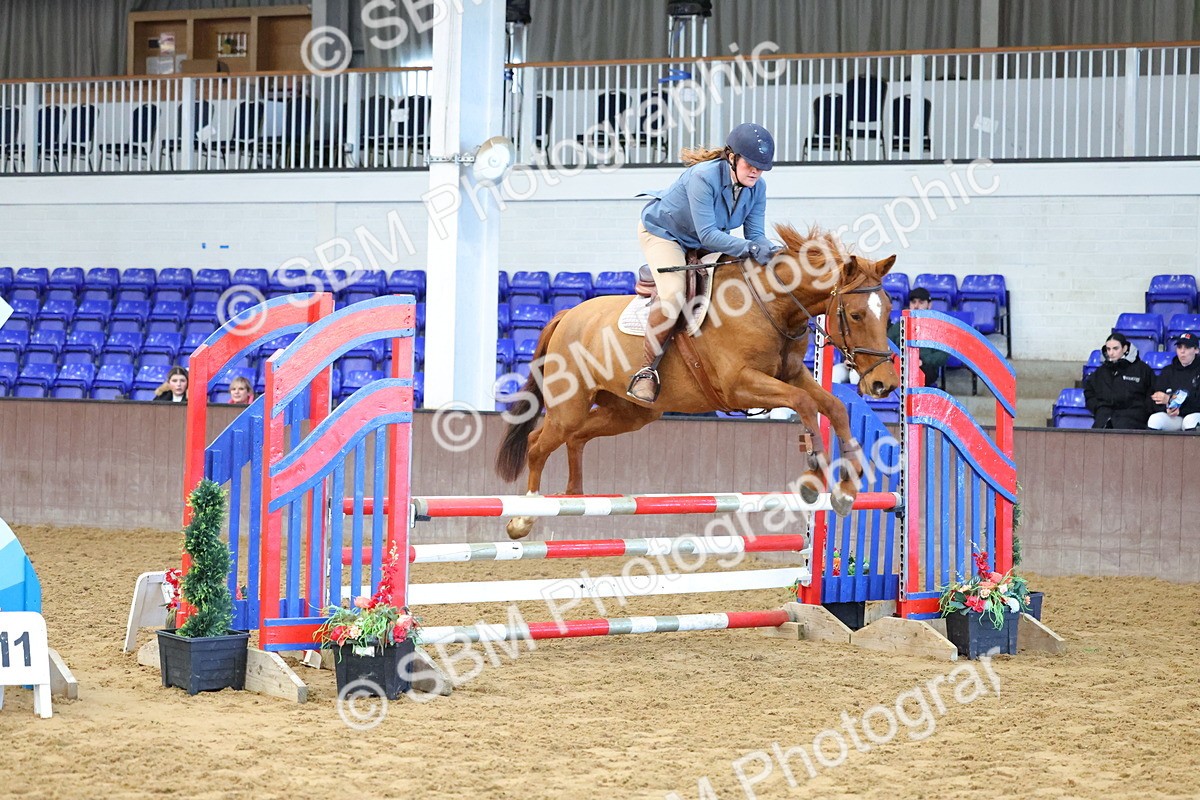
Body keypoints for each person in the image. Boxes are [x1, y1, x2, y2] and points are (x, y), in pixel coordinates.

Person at [628, 122, 779, 403]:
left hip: (698, 240)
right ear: (732, 158)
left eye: (761, 167)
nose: (756, 171)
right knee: (673, 295)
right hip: (665, 234)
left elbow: (756, 235)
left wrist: (779, 254)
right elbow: (709, 235)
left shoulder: (757, 187)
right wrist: (752, 247)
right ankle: (646, 371)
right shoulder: (703, 177)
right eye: (751, 164)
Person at [1083, 333, 1153, 429]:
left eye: (1115, 348)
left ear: (1124, 348)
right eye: (1108, 349)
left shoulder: (1142, 369)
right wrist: (1098, 408)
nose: (1111, 353)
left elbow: (1152, 392)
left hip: (1134, 421)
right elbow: (1089, 392)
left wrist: (1143, 411)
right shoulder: (1100, 372)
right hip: (1103, 419)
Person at [887, 287, 947, 387]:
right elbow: (888, 344)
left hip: (925, 367)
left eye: (921, 302)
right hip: (900, 365)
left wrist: (922, 361)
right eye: (913, 302)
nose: (916, 306)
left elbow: (943, 355)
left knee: (916, 375)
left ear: (929, 305)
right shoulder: (900, 325)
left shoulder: (937, 327)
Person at [1148, 331, 1200, 431]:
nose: (1182, 351)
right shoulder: (1167, 371)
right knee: (1155, 419)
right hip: (1174, 416)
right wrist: (1167, 408)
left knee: (1190, 420)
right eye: (1179, 347)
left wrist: (1171, 400)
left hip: (1194, 414)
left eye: (1187, 348)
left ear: (1196, 350)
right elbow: (1154, 399)